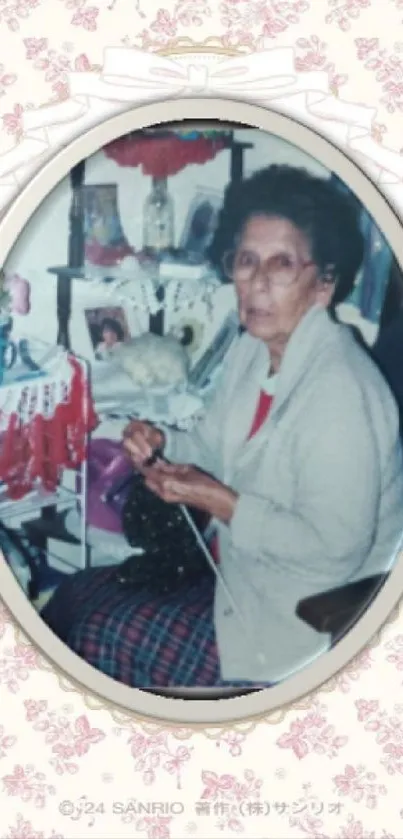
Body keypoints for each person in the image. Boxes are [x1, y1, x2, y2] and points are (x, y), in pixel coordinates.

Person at [41, 165, 403, 689]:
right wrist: (164, 445)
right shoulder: (252, 352)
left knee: (102, 631)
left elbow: (334, 550)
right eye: (246, 261)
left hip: (299, 620)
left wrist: (223, 504)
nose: (257, 284)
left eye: (282, 265)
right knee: (80, 593)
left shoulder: (342, 392)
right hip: (239, 578)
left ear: (324, 283)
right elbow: (211, 445)